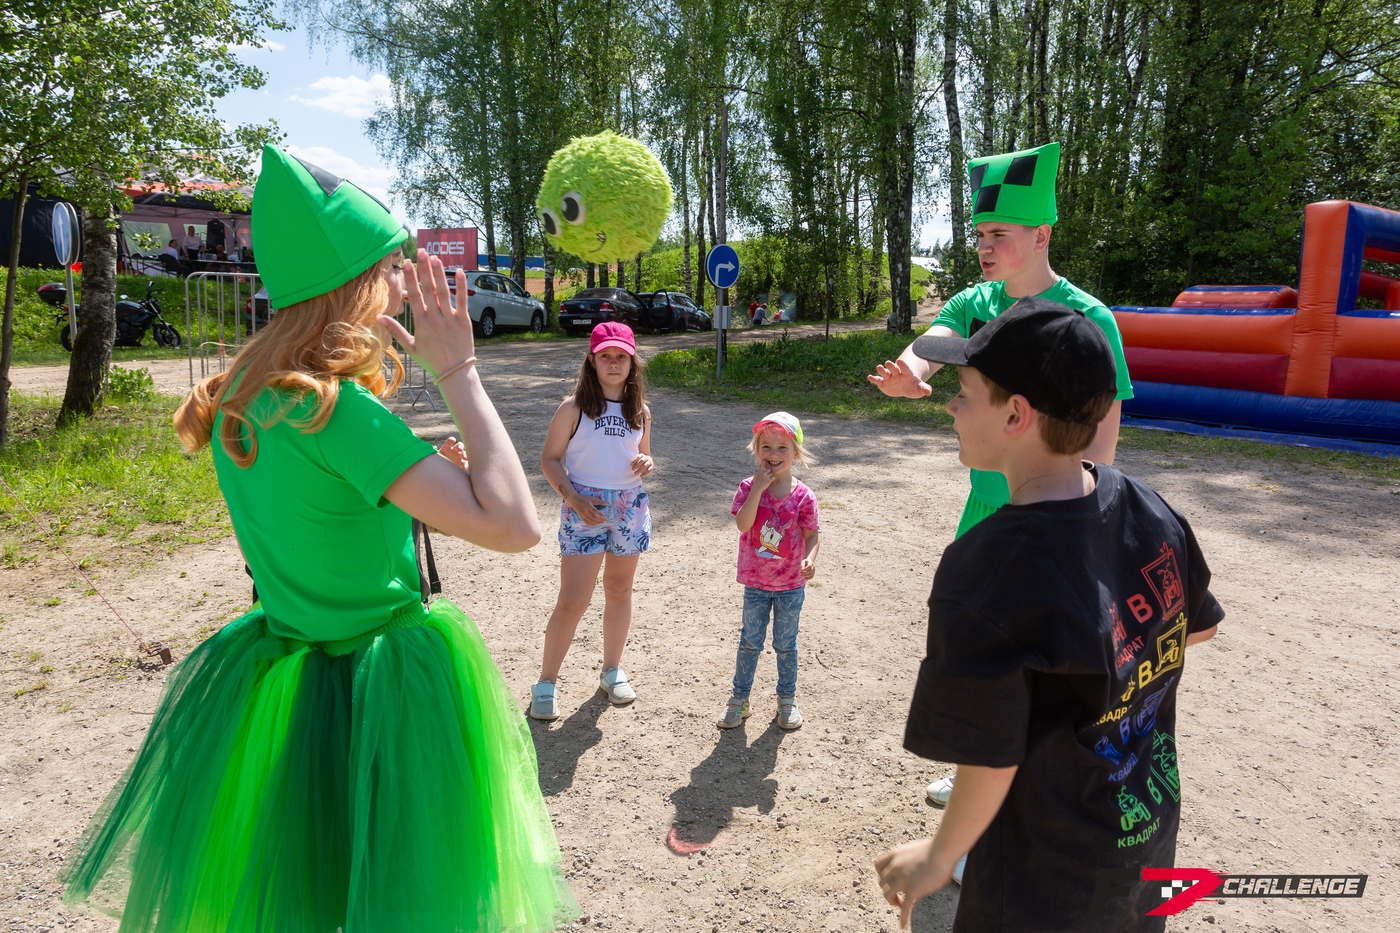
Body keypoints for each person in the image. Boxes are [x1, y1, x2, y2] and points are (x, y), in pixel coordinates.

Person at [60, 145, 577, 932]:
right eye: (392, 267)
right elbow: (514, 525)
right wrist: (460, 371)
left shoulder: (238, 399)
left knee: (305, 892)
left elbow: (321, 509)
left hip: (287, 683)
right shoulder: (339, 411)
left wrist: (412, 479)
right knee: (398, 894)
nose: (404, 282)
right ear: (352, 285)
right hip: (383, 688)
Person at [873, 298, 1222, 931]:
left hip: (1044, 876)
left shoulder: (986, 568)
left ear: (1015, 414)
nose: (950, 407)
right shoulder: (1146, 506)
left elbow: (991, 754)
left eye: (965, 393)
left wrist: (939, 854)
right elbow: (1199, 626)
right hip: (1143, 835)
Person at [867, 141, 1136, 817]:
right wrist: (910, 377)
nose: (985, 247)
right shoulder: (975, 300)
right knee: (984, 653)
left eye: (1000, 234)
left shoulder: (1089, 318)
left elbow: (1104, 433)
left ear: (1041, 234)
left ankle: (1022, 798)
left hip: (1056, 518)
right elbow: (930, 346)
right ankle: (977, 776)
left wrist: (1092, 523)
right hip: (987, 510)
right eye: (980, 234)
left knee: (1043, 661)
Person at [531, 321, 654, 720]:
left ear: (632, 362)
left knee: (619, 589)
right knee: (573, 599)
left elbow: (642, 454)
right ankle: (546, 683)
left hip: (629, 507)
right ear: (592, 361)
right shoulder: (573, 408)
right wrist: (573, 498)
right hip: (584, 506)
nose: (613, 363)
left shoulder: (640, 411)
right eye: (605, 356)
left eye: (621, 357)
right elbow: (550, 459)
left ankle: (611, 671)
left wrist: (647, 462)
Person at [718, 412, 820, 731]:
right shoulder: (748, 487)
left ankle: (786, 700)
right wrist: (758, 489)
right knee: (750, 641)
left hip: (791, 585)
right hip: (756, 583)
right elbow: (743, 524)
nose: (773, 455)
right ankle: (739, 699)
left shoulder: (803, 496)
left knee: (785, 644)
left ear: (796, 453)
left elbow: (812, 535)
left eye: (782, 448)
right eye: (766, 447)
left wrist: (811, 559)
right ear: (756, 450)